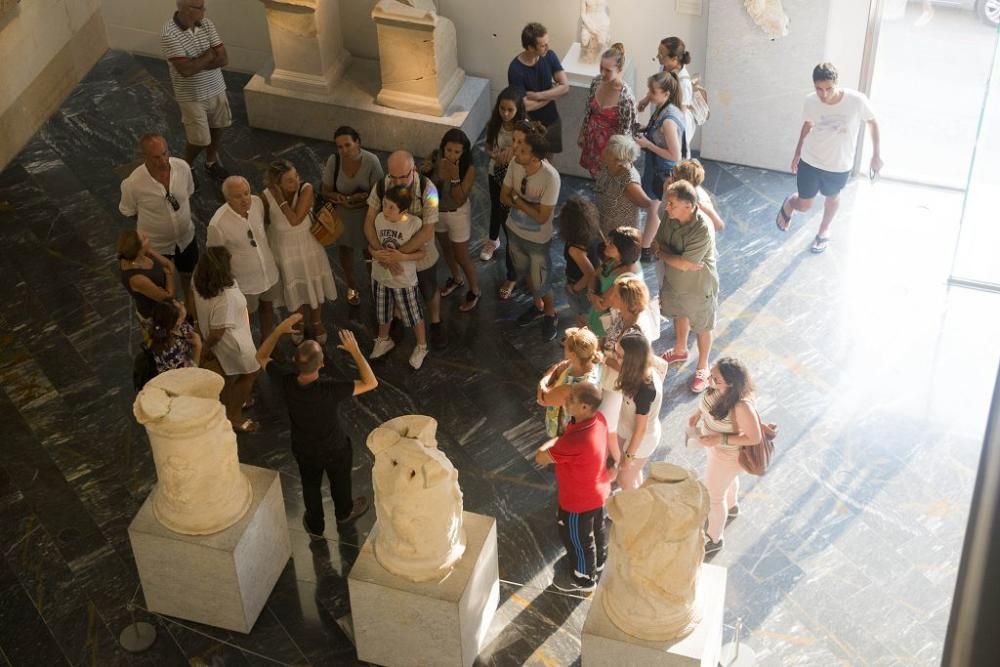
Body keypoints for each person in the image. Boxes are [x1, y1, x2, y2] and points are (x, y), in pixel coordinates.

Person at [258, 322, 376, 540]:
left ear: (295, 361)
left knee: (310, 486)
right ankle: (343, 513)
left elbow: (261, 357)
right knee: (341, 482)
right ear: (321, 364)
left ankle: (315, 525)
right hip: (335, 448)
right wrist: (355, 351)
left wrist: (277, 330)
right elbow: (371, 382)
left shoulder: (286, 381)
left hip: (305, 449)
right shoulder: (329, 390)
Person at [776, 62, 882, 254]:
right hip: (811, 161)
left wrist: (876, 155)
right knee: (805, 205)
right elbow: (808, 125)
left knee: (832, 197)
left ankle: (824, 230)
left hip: (839, 165)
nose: (823, 94)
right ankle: (791, 202)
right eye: (819, 89)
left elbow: (873, 123)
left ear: (837, 84)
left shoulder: (856, 101)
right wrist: (798, 152)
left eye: (828, 89)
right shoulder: (810, 101)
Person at [363, 151, 447, 349]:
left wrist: (399, 256)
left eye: (404, 176)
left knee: (428, 288)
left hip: (419, 253)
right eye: (394, 176)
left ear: (414, 170)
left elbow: (427, 232)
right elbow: (369, 221)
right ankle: (397, 318)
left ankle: (435, 322)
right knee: (394, 288)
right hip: (389, 251)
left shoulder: (429, 190)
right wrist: (382, 252)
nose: (398, 181)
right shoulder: (382, 186)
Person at [535, 382, 611, 594]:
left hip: (577, 503)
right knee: (597, 528)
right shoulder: (600, 419)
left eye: (571, 401)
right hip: (598, 490)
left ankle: (584, 579)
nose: (565, 403)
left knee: (577, 540)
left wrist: (554, 442)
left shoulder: (575, 441)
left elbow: (540, 457)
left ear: (585, 407)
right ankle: (599, 563)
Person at [689, 357, 761, 555]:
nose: (710, 380)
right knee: (726, 483)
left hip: (728, 456)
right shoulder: (716, 387)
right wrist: (698, 413)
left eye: (716, 379)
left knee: (713, 496)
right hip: (714, 447)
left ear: (730, 383)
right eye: (711, 375)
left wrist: (719, 439)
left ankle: (714, 538)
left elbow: (754, 437)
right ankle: (732, 506)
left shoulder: (742, 406)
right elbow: (709, 403)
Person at [119, 134, 198, 314]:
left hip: (186, 238)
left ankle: (191, 317)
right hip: (156, 246)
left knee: (190, 279)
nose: (163, 160)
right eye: (156, 157)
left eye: (165, 154)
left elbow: (189, 192)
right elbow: (129, 211)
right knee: (162, 290)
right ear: (144, 156)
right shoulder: (133, 184)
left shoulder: (183, 168)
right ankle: (173, 317)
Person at [263, 159, 337, 344]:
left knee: (313, 284)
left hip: (306, 246)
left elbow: (294, 219)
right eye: (289, 180)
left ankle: (317, 321)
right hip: (282, 249)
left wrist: (280, 199)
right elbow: (265, 221)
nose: (296, 181)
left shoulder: (306, 189)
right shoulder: (265, 196)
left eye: (296, 176)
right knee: (293, 288)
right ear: (276, 183)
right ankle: (298, 323)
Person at [654, 180, 718, 394]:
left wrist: (665, 255)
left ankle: (703, 367)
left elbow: (686, 264)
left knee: (702, 327)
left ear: (688, 207)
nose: (667, 206)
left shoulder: (702, 229)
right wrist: (676, 259)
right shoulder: (669, 216)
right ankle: (680, 349)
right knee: (678, 313)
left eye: (671, 203)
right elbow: (658, 243)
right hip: (674, 282)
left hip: (699, 288)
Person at [501, 123, 562, 341]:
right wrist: (527, 205)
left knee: (541, 280)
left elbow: (542, 217)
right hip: (515, 231)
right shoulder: (515, 164)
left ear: (535, 156)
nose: (516, 152)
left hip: (537, 239)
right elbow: (503, 197)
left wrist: (517, 199)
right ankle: (537, 306)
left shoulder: (550, 178)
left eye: (523, 150)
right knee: (524, 272)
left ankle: (550, 313)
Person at [160, 0, 231, 180]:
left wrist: (197, 62)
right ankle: (187, 166)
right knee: (200, 139)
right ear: (185, 9)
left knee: (218, 126)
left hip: (216, 87)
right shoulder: (169, 34)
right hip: (192, 95)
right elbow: (185, 71)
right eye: (199, 7)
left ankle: (211, 162)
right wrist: (208, 55)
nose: (204, 10)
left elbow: (223, 59)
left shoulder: (207, 24)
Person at [192, 246, 261, 433]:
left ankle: (237, 398)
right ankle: (234, 415)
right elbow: (217, 332)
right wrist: (204, 349)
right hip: (234, 343)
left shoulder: (197, 280)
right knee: (250, 373)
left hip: (224, 338)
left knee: (229, 372)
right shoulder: (226, 296)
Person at [207, 176, 281, 342]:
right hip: (244, 282)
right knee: (245, 317)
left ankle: (268, 342)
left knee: (268, 307)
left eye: (246, 193)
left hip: (268, 271)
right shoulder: (218, 223)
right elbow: (215, 258)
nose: (245, 199)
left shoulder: (257, 203)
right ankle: (248, 349)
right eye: (237, 196)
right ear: (227, 199)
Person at [321, 126, 384, 307]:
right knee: (345, 250)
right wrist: (337, 197)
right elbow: (325, 191)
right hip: (343, 216)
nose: (344, 150)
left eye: (347, 145)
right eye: (339, 147)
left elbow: (380, 192)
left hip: (366, 215)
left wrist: (360, 198)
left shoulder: (372, 161)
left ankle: (375, 283)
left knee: (369, 251)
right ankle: (351, 285)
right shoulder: (334, 161)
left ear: (358, 142)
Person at [368, 186, 430, 370]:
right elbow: (372, 246)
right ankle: (383, 339)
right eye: (384, 204)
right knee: (382, 311)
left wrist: (402, 257)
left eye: (391, 207)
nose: (385, 210)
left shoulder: (414, 224)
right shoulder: (379, 219)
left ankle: (421, 346)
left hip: (404, 281)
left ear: (403, 210)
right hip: (380, 277)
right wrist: (377, 254)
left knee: (413, 314)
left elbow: (421, 253)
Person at [422, 129, 481, 311]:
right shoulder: (435, 156)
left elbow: (459, 199)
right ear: (443, 148)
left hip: (457, 214)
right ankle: (456, 278)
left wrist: (454, 176)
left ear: (464, 152)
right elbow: (426, 185)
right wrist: (426, 170)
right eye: (448, 150)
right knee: (446, 249)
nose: (451, 155)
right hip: (437, 211)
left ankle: (475, 290)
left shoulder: (468, 168)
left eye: (457, 152)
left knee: (462, 255)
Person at [636, 71, 686, 259]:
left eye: (652, 91)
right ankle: (648, 244)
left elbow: (674, 155)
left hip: (662, 171)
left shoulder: (668, 121)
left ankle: (646, 248)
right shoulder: (663, 107)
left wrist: (648, 145)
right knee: (653, 207)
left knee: (654, 208)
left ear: (666, 93)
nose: (649, 94)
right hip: (656, 166)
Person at [482, 87, 527, 293]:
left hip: (515, 180)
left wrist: (514, 153)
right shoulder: (495, 124)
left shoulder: (523, 129)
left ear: (518, 110)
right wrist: (496, 155)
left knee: (510, 223)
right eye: (502, 109)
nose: (506, 114)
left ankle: (512, 275)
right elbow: (488, 147)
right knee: (496, 209)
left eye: (510, 110)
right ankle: (492, 241)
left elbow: (529, 155)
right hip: (495, 174)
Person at [507, 22, 570, 154]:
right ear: (530, 47)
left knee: (549, 158)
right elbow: (524, 105)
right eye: (543, 45)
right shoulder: (516, 69)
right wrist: (552, 94)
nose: (548, 47)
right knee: (529, 159)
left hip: (552, 119)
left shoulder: (549, 55)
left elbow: (565, 87)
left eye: (547, 43)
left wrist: (539, 96)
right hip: (530, 125)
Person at [613, 332, 664, 490]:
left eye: (619, 355)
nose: (616, 357)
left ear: (631, 361)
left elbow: (641, 430)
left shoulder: (645, 389)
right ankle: (637, 487)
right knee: (630, 474)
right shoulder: (639, 368)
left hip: (642, 439)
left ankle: (632, 510)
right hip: (627, 427)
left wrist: (629, 456)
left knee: (624, 480)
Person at [577, 44, 637, 177]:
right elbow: (589, 111)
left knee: (607, 181)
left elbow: (626, 132)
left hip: (610, 149)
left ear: (620, 69)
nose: (602, 73)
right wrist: (583, 133)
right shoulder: (597, 82)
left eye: (608, 70)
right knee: (595, 177)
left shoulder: (625, 98)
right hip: (592, 140)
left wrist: (618, 160)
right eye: (601, 68)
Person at [537, 327, 603, 438]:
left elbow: (543, 398)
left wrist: (543, 382)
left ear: (573, 354)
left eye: (565, 346)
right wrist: (553, 373)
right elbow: (559, 366)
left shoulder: (569, 389)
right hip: (586, 429)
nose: (563, 346)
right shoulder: (594, 363)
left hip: (567, 432)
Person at [639, 37, 696, 159]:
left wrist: (662, 128)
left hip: (670, 126)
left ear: (674, 59)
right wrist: (647, 99)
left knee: (670, 155)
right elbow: (657, 86)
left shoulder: (684, 83)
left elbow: (680, 113)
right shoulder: (664, 67)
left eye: (662, 55)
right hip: (661, 120)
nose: (658, 57)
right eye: (658, 52)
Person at [593, 135, 659, 237]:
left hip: (619, 238)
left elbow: (650, 205)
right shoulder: (607, 166)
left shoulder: (629, 182)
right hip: (603, 229)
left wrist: (646, 240)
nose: (604, 150)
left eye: (608, 151)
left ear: (618, 161)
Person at [117, 229, 176, 334]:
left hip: (165, 306)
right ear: (138, 250)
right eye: (144, 238)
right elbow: (167, 296)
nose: (147, 237)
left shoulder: (143, 254)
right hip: (157, 316)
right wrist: (168, 274)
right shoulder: (137, 278)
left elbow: (169, 264)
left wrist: (168, 270)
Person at [586, 226, 641, 336]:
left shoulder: (625, 277)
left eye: (611, 243)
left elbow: (602, 305)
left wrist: (590, 294)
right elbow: (594, 276)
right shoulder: (613, 261)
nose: (606, 244)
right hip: (598, 317)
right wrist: (592, 293)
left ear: (622, 250)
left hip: (606, 324)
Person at [558, 197, 602, 327]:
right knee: (589, 315)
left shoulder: (575, 248)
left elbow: (589, 274)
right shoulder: (594, 231)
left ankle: (581, 342)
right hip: (595, 286)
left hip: (581, 287)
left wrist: (574, 289)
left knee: (582, 317)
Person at [669, 159, 725, 232]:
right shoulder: (683, 192)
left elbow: (719, 225)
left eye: (673, 176)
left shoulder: (699, 201)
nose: (670, 178)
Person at [148, 299, 202, 373]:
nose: (182, 302)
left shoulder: (182, 325)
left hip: (191, 361)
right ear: (177, 321)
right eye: (179, 306)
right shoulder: (168, 351)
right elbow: (188, 375)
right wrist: (198, 347)